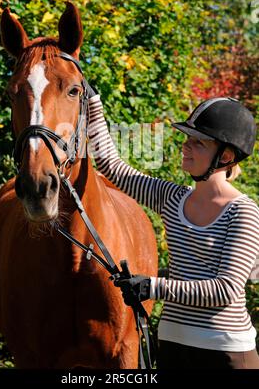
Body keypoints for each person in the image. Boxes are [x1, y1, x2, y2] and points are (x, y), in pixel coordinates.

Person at [85, 85, 259, 370]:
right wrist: (92, 101)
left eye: (198, 142)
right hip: (173, 346)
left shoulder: (242, 211)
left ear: (226, 157)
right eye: (187, 139)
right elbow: (111, 166)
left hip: (226, 353)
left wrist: (152, 286)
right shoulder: (172, 197)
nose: (185, 146)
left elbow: (225, 290)